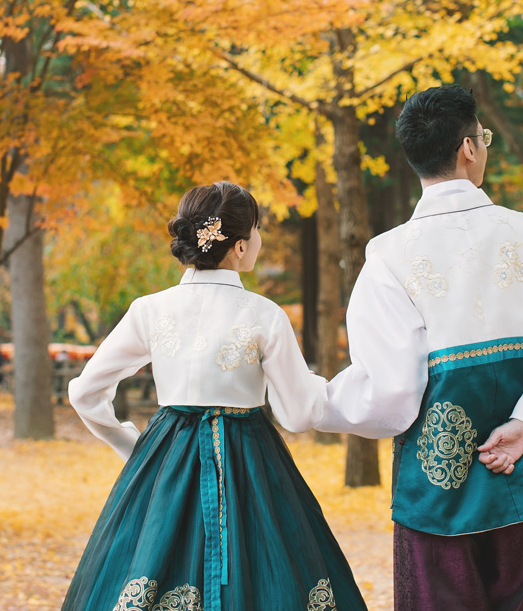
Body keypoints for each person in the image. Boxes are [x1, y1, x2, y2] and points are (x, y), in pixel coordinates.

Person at [322, 84, 523, 611]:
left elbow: (390, 392)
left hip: (436, 493)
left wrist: (317, 403)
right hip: (522, 477)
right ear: (469, 147)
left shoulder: (387, 257)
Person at [63, 181, 364, 611]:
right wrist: (321, 385)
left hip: (166, 461)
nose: (260, 239)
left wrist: (136, 448)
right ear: (240, 247)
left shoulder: (150, 309)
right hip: (251, 461)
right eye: (257, 229)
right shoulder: (264, 315)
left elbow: (85, 392)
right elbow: (298, 414)